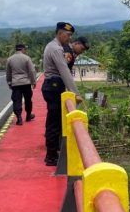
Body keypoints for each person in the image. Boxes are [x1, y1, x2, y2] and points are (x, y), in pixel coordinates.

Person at [40, 21, 82, 165]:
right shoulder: (56, 49)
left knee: (54, 121)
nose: (69, 38)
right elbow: (64, 71)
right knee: (54, 123)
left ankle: (53, 151)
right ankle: (51, 157)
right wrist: (76, 93)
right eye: (68, 35)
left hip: (52, 86)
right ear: (60, 33)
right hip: (54, 86)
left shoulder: (53, 46)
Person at [5, 43, 37, 126]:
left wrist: (9, 82)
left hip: (15, 83)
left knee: (17, 100)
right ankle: (28, 115)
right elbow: (31, 71)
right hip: (26, 83)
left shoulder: (10, 59)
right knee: (28, 100)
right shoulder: (27, 58)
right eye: (25, 49)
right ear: (22, 49)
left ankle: (19, 118)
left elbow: (8, 73)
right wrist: (33, 81)